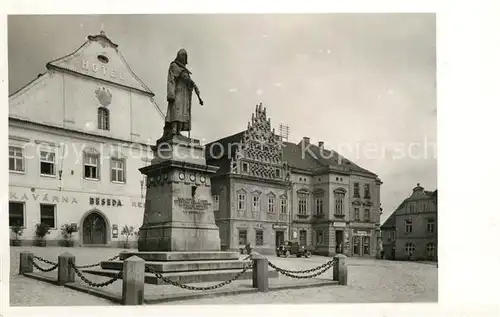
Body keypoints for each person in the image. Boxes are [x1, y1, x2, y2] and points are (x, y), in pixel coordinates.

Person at [162, 49, 203, 138]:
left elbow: (188, 80)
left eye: (185, 57)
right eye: (182, 56)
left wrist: (193, 86)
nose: (183, 58)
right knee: (176, 109)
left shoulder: (185, 70)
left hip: (185, 94)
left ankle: (179, 131)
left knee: (183, 111)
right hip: (178, 91)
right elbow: (179, 76)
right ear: (179, 56)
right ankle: (173, 129)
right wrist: (171, 93)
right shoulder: (174, 65)